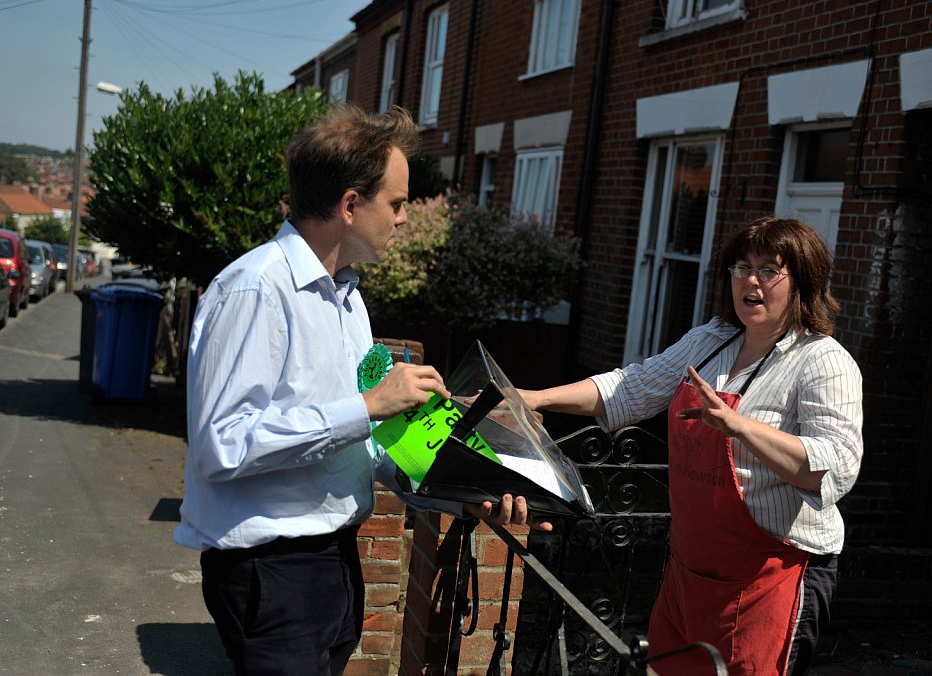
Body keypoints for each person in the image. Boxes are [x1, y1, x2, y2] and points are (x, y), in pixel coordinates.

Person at [175, 104, 544, 676]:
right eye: (396, 203)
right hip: (270, 569)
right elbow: (219, 447)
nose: (405, 218)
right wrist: (369, 405)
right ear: (350, 205)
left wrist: (466, 492)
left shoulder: (347, 299)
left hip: (332, 562)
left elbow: (364, 448)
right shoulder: (255, 289)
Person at [518, 217, 863, 675]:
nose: (750, 281)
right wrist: (534, 398)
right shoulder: (711, 341)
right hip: (690, 571)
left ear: (802, 282)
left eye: (768, 270)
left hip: (771, 576)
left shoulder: (823, 361)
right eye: (742, 268)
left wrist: (739, 427)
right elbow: (632, 387)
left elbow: (834, 468)